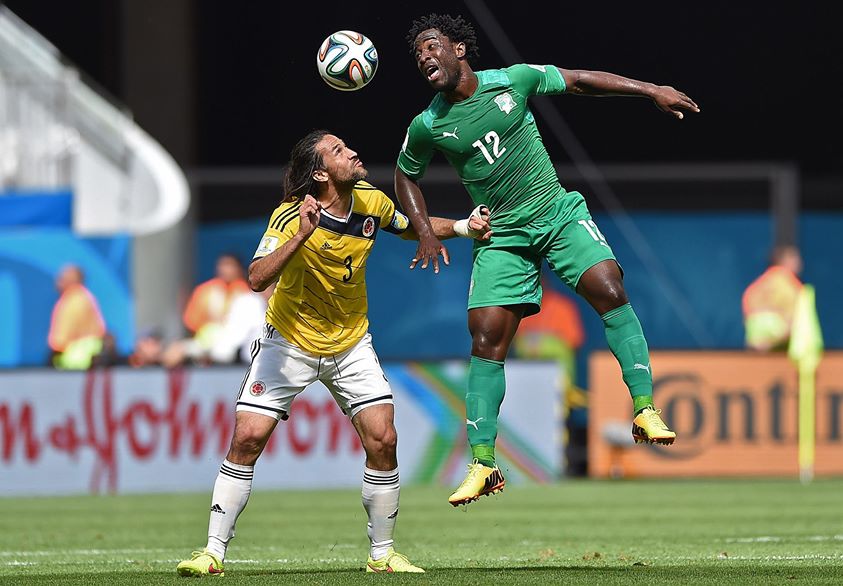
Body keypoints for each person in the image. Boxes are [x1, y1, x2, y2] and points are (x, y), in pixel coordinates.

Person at [395, 14, 698, 505]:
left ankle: (643, 407)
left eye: (432, 47)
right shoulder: (427, 124)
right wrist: (426, 229)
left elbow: (578, 81)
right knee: (486, 336)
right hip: (501, 233)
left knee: (609, 287)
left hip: (554, 211)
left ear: (458, 50)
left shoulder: (513, 80)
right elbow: (406, 176)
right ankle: (484, 464)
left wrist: (649, 89)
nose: (425, 57)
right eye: (418, 55)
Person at [176, 130, 491, 577]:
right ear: (321, 172)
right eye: (340, 151)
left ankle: (381, 556)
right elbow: (256, 278)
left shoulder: (369, 200)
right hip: (288, 342)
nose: (353, 152)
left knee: (384, 439)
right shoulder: (290, 216)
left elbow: (408, 226)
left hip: (349, 343)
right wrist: (303, 235)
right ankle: (212, 553)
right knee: (247, 438)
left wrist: (462, 227)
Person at [162, 253, 251, 367]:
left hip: (235, 344)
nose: (225, 270)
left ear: (239, 269)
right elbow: (191, 321)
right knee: (173, 352)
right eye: (223, 265)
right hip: (206, 341)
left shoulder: (247, 292)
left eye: (230, 265)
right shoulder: (205, 290)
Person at [742, 245, 804, 351]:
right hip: (780, 336)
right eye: (794, 258)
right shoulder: (790, 284)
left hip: (755, 335)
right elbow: (795, 317)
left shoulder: (762, 281)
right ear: (784, 261)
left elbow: (748, 304)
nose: (799, 262)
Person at [47, 264, 106, 370]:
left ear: (73, 280)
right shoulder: (86, 297)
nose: (58, 281)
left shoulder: (73, 301)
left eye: (62, 277)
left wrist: (53, 353)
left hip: (74, 363)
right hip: (87, 359)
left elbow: (59, 341)